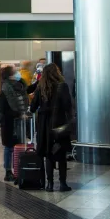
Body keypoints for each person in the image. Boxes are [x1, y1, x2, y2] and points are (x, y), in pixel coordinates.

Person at [30, 63, 72, 192]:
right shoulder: (62, 86)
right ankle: (63, 184)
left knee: (48, 154)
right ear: (56, 73)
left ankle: (50, 184)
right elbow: (68, 106)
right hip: (59, 124)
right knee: (61, 153)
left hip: (44, 125)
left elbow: (32, 107)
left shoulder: (40, 87)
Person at [0, 66, 28, 182]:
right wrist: (19, 114)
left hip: (19, 121)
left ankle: (18, 170)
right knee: (9, 147)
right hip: (9, 122)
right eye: (15, 71)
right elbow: (6, 108)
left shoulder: (18, 85)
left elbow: (25, 93)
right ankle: (8, 172)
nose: (17, 73)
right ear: (10, 75)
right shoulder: (6, 89)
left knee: (19, 146)